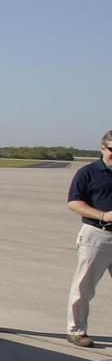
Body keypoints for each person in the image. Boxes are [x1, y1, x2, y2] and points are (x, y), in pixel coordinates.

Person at [63, 131, 112, 347]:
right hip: (97, 235)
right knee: (84, 285)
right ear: (102, 148)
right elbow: (73, 203)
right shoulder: (88, 173)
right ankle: (76, 330)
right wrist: (102, 215)